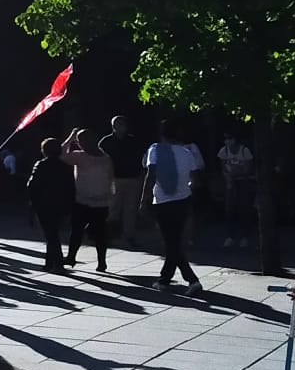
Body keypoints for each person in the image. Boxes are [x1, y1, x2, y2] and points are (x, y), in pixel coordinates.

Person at [142, 120, 205, 297]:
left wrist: (144, 198)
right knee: (174, 240)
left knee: (170, 242)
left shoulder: (155, 149)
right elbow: (195, 179)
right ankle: (164, 279)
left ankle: (192, 279)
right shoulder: (186, 152)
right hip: (183, 200)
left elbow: (151, 174)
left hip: (163, 200)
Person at [63, 128, 113, 271]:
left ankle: (102, 261)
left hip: (101, 202)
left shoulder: (106, 158)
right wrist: (70, 138)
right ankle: (71, 257)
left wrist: (111, 198)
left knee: (100, 234)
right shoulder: (79, 156)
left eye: (84, 140)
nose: (82, 143)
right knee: (77, 231)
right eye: (80, 141)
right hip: (82, 201)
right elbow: (61, 155)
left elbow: (110, 179)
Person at [26, 138, 74, 272]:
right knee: (53, 233)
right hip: (60, 204)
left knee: (50, 234)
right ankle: (51, 262)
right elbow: (71, 187)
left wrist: (33, 201)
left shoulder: (41, 165)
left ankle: (56, 262)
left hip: (44, 204)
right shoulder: (65, 167)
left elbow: (32, 185)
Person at [100, 115, 148, 248]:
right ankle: (111, 235)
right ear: (113, 126)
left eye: (123, 124)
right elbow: (101, 159)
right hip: (114, 178)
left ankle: (129, 236)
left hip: (133, 178)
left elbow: (142, 158)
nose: (121, 126)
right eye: (118, 124)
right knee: (113, 209)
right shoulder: (106, 141)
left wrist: (141, 173)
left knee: (131, 209)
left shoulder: (133, 141)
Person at [219, 130, 257, 249]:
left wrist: (236, 173)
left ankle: (244, 237)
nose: (227, 141)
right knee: (229, 210)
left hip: (243, 182)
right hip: (230, 183)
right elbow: (223, 168)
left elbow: (248, 169)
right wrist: (228, 177)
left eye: (230, 138)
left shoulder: (244, 151)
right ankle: (230, 237)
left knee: (244, 209)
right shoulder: (223, 151)